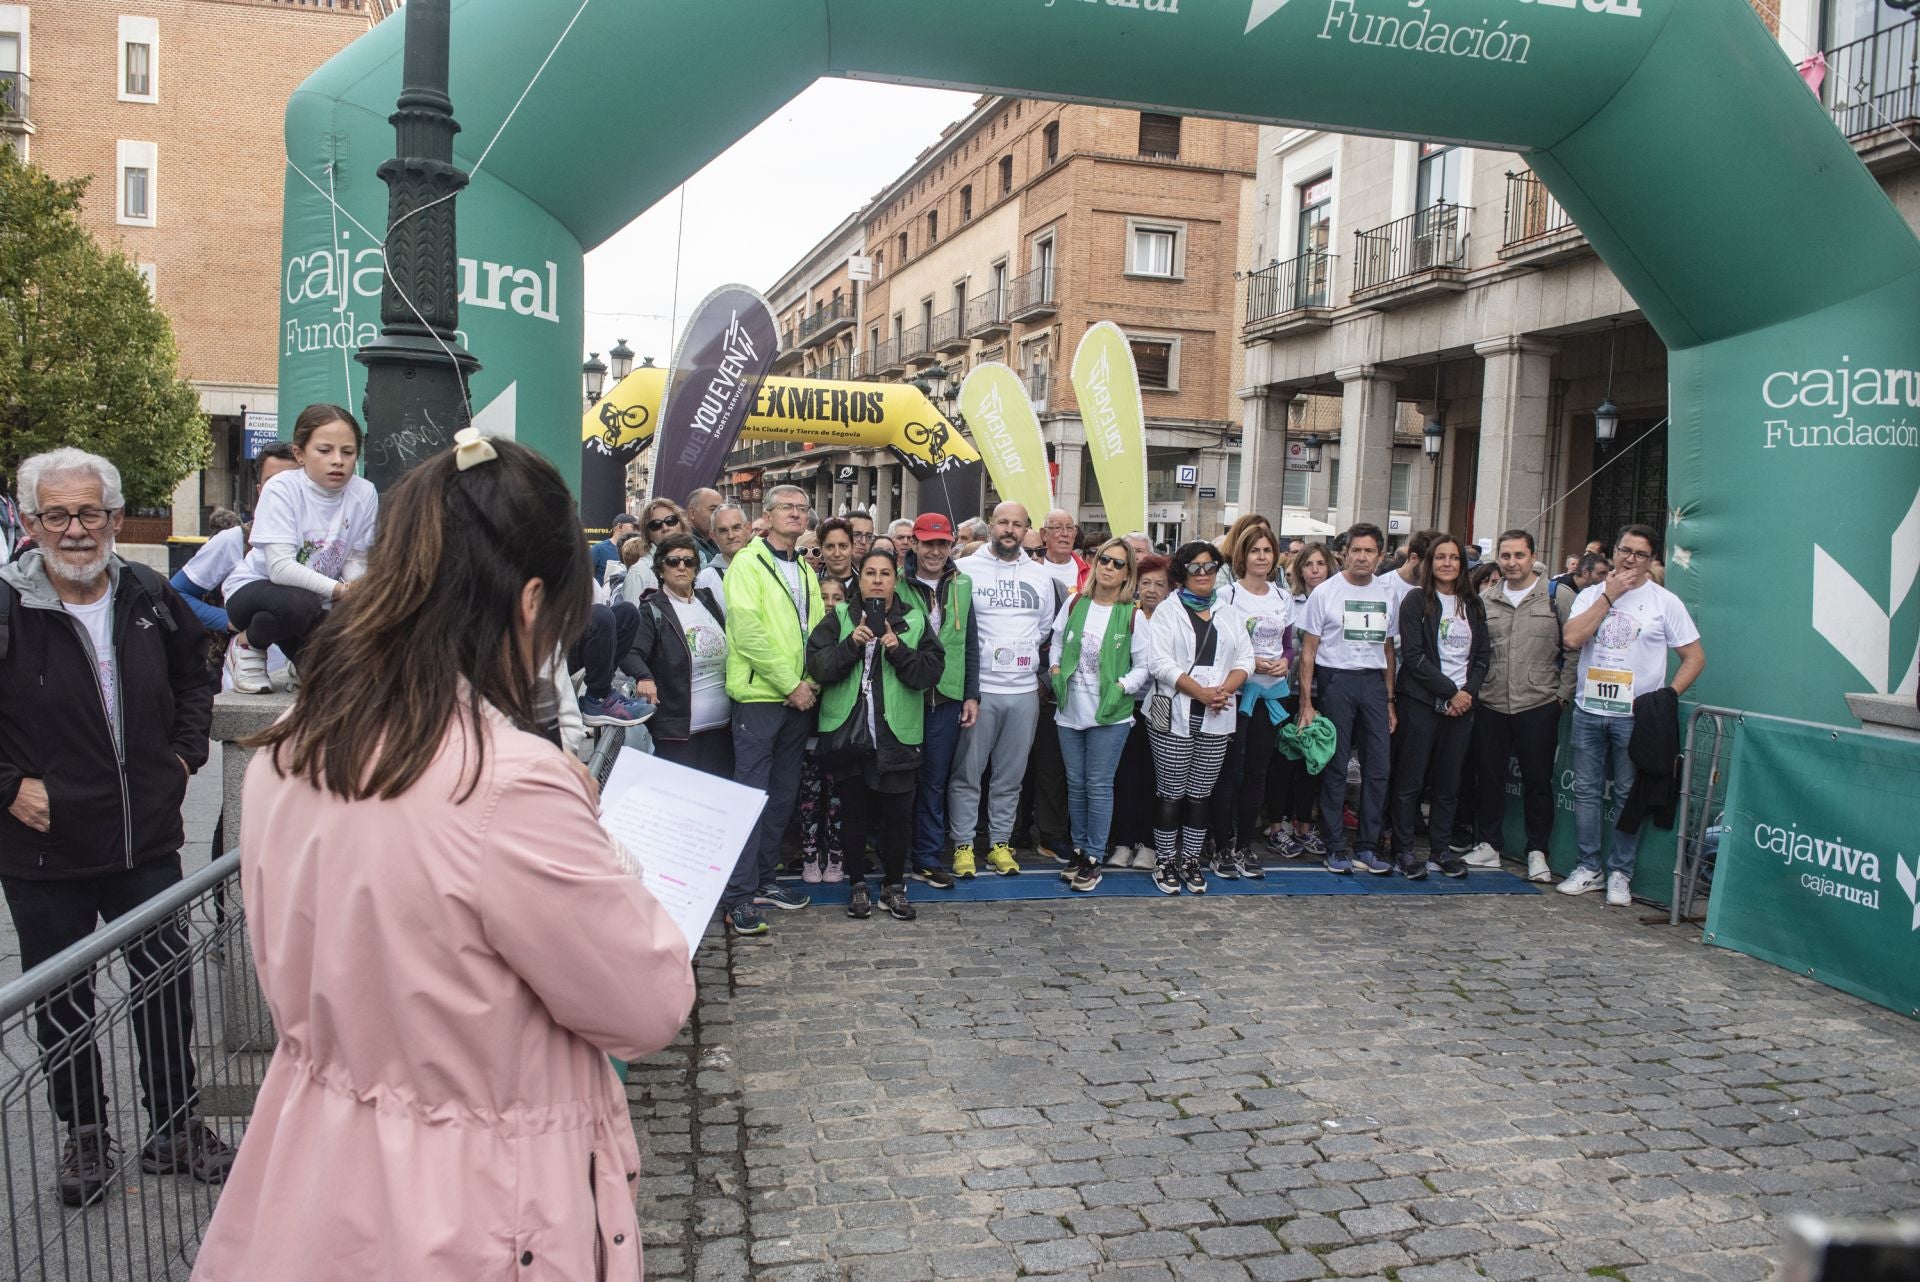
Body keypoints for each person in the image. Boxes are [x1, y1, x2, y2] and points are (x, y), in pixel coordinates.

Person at [194, 431, 694, 1281]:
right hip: (472, 1204)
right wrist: (602, 845)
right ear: (530, 602)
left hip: (317, 1166)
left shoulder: (294, 747)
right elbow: (645, 1005)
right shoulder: (506, 785)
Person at [0, 447, 225, 1209]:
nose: (73, 529)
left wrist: (186, 755)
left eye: (89, 512)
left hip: (144, 838)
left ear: (116, 518)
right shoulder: (7, 604)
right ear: (29, 523)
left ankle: (175, 1124)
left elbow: (199, 668)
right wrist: (8, 788)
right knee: (63, 1000)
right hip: (43, 844)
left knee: (166, 986)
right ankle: (86, 1134)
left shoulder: (149, 593)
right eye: (55, 514)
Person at [1559, 523, 1705, 905]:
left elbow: (1694, 657)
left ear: (1651, 560)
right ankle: (1588, 866)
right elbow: (1572, 638)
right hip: (1589, 708)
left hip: (1634, 716)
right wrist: (1608, 595)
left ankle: (1620, 872)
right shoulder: (1592, 594)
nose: (1630, 559)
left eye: (1640, 554)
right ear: (1615, 551)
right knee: (1587, 791)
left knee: (1627, 794)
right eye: (1625, 550)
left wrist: (1665, 697)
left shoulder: (1664, 602)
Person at [805, 547, 945, 920]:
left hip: (897, 736)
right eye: (870, 573)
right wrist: (852, 645)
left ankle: (894, 886)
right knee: (853, 814)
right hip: (849, 735)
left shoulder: (914, 619)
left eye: (885, 573)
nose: (878, 580)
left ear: (895, 579)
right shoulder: (838, 618)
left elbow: (929, 673)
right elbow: (817, 666)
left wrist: (898, 650)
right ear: (860, 579)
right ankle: (857, 885)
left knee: (898, 815)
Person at [719, 484, 822, 936]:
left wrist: (812, 682)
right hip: (762, 698)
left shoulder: (804, 567)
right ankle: (737, 897)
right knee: (748, 800)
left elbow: (818, 631)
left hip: (799, 700)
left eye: (802, 509)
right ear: (769, 513)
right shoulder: (747, 562)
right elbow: (747, 631)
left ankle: (764, 881)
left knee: (781, 798)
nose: (796, 515)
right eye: (787, 508)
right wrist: (790, 683)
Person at [222, 404, 379, 694]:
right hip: (256, 590)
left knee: (340, 677)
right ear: (299, 454)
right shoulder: (281, 488)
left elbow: (355, 557)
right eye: (324, 450)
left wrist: (360, 590)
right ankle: (247, 645)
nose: (338, 461)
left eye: (348, 452)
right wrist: (341, 591)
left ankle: (301, 661)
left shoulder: (364, 492)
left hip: (317, 598)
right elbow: (280, 568)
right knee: (299, 603)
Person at [947, 502, 1055, 878]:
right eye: (1003, 522)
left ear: (1027, 530)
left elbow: (1042, 629)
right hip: (981, 692)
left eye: (1018, 524)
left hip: (1023, 691)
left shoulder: (1040, 576)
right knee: (967, 774)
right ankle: (963, 845)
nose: (1010, 529)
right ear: (991, 526)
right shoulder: (964, 568)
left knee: (1010, 777)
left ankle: (999, 844)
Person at [1144, 542, 1253, 894]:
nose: (1203, 573)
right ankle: (1165, 860)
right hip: (1175, 709)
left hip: (1217, 712)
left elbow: (1246, 660)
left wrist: (1223, 689)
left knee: (1200, 793)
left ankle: (1190, 858)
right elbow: (1159, 663)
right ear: (1182, 572)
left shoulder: (1229, 611)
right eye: (1195, 567)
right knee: (1171, 791)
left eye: (1210, 567)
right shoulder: (1166, 611)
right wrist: (1200, 692)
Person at [1471, 529, 1575, 883]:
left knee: (1538, 781)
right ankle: (1488, 843)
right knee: (1489, 778)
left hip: (1539, 702)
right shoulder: (1486, 599)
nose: (1512, 562)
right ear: (1497, 559)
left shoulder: (1556, 597)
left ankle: (1537, 851)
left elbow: (1573, 649)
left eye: (1519, 555)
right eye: (1506, 556)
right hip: (1493, 701)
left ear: (1533, 557)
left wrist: (1562, 694)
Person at [1296, 523, 1398, 876]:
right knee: (1336, 766)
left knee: (1378, 767)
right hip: (1336, 679)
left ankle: (1368, 846)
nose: (1362, 557)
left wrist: (1389, 699)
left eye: (1369, 551)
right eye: (1356, 550)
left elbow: (1388, 649)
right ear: (1344, 553)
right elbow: (1308, 651)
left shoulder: (1388, 593)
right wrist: (1307, 703)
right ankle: (1335, 845)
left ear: (1380, 556)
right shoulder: (1325, 592)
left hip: (1373, 682)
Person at [1049, 537, 1150, 892]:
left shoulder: (1133, 614)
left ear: (1127, 574)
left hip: (1111, 715)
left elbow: (1144, 666)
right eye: (1104, 560)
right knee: (1075, 784)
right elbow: (1058, 642)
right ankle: (1079, 850)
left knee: (1098, 784)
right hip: (1070, 710)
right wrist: (1056, 669)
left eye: (1118, 563)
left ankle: (1093, 856)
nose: (1108, 567)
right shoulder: (1076, 602)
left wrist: (1122, 687)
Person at [1389, 534, 1489, 879]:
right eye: (1440, 557)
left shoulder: (1473, 604)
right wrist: (1449, 692)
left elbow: (1482, 657)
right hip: (1421, 702)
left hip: (1462, 706)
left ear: (1462, 564)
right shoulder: (1417, 601)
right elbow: (1414, 656)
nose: (1447, 563)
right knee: (1410, 780)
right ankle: (1403, 849)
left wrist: (1467, 695)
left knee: (1449, 782)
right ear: (1429, 563)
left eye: (1454, 558)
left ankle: (1440, 849)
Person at [899, 513, 977, 891]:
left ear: (950, 546)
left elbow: (971, 644)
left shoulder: (962, 584)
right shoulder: (897, 584)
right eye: (928, 543)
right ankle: (894, 853)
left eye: (941, 543)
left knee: (934, 781)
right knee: (899, 779)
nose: (934, 551)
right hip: (904, 694)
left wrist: (971, 694)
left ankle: (927, 857)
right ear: (914, 543)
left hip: (946, 696)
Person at [1210, 522, 1291, 880]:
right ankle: (1221, 843)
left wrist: (1286, 660)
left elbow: (1289, 641)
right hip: (1236, 695)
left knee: (1257, 773)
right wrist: (1249, 662)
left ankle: (1245, 844)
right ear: (1243, 555)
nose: (1261, 557)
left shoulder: (1282, 596)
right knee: (1229, 772)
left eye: (1267, 551)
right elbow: (1220, 643)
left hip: (1270, 697)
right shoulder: (1227, 595)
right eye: (1255, 550)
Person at [625, 533, 731, 776]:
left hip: (723, 730)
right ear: (661, 569)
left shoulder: (708, 600)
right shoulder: (652, 609)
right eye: (673, 561)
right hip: (677, 735)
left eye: (688, 561)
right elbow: (631, 652)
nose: (681, 567)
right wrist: (644, 677)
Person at [172, 443, 300, 636]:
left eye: (292, 482)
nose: (283, 492)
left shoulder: (330, 542)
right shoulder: (236, 540)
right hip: (250, 662)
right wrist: (231, 621)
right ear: (260, 490)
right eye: (273, 483)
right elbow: (175, 595)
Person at [1267, 542, 1331, 860]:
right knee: (1285, 760)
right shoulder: (1289, 602)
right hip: (1289, 692)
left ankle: (1305, 823)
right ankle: (1277, 826)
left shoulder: (1336, 599)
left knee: (1313, 762)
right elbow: (1288, 647)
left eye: (1321, 563)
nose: (1315, 570)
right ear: (1300, 569)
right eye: (1309, 564)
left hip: (1327, 691)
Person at [1107, 553, 1169, 869]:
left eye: (1160, 584)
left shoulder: (1175, 620)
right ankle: (1122, 841)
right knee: (1125, 778)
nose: (1152, 590)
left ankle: (1149, 844)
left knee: (1154, 780)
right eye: (1145, 583)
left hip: (1161, 711)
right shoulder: (1126, 616)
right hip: (1126, 707)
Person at [797, 573, 849, 884]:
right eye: (824, 597)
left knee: (837, 796)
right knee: (809, 794)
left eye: (837, 598)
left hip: (839, 727)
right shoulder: (805, 632)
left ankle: (836, 856)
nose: (830, 604)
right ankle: (809, 854)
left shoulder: (852, 632)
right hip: (809, 725)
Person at [619, 497, 689, 603]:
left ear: (681, 524)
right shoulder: (639, 573)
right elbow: (635, 617)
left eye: (671, 520)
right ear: (648, 535)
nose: (665, 528)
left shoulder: (693, 563)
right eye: (656, 524)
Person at [696, 501, 752, 603]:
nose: (731, 536)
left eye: (736, 528)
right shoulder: (704, 580)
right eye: (723, 530)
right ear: (713, 536)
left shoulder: (766, 567)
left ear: (748, 529)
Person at [1037, 510, 1089, 595]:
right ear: (1044, 534)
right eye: (1058, 527)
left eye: (1069, 528)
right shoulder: (1033, 569)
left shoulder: (1089, 573)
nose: (1065, 534)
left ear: (1075, 534)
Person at [592, 512, 640, 587]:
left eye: (638, 529)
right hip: (605, 596)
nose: (637, 531)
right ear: (620, 527)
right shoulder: (598, 549)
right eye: (634, 527)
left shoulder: (638, 550)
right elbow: (585, 575)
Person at [817, 516, 858, 598]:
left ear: (853, 547)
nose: (837, 554)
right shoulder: (809, 584)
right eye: (830, 547)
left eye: (843, 546)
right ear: (821, 549)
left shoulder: (865, 585)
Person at [685, 487, 723, 567]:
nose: (719, 515)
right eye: (713, 510)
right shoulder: (686, 546)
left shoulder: (710, 542)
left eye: (721, 511)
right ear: (692, 513)